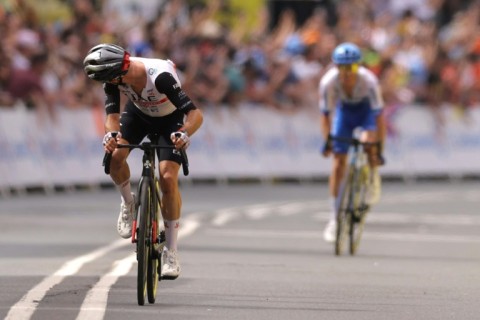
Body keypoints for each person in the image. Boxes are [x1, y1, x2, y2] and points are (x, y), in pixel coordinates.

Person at [83, 43, 203, 279]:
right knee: (116, 156)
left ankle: (171, 252)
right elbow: (112, 117)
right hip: (138, 115)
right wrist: (111, 135)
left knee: (168, 178)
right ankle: (128, 203)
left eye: (108, 81)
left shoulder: (161, 78)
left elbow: (195, 114)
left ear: (119, 74)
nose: (107, 85)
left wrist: (185, 133)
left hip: (170, 119)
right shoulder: (113, 75)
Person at [318, 42, 386, 243]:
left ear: (359, 66)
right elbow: (325, 115)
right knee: (338, 162)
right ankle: (334, 217)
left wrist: (378, 148)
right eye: (342, 68)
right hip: (345, 113)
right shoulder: (328, 82)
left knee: (368, 143)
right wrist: (327, 141)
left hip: (365, 113)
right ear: (336, 67)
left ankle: (370, 175)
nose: (347, 73)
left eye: (352, 68)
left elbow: (379, 119)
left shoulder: (370, 82)